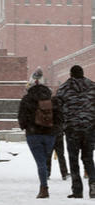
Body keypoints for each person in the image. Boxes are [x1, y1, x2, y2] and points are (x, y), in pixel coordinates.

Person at [18, 68, 60, 199]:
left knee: (40, 162)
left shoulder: (27, 99)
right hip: (50, 134)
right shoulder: (52, 99)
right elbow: (59, 117)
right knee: (44, 159)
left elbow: (21, 117)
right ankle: (44, 179)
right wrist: (54, 130)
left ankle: (44, 187)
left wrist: (26, 127)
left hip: (33, 134)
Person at [56, 65, 95, 199]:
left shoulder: (64, 88)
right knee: (88, 158)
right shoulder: (92, 86)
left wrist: (63, 123)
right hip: (89, 128)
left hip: (72, 129)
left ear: (71, 74)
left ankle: (77, 190)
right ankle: (93, 184)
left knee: (73, 160)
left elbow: (57, 107)